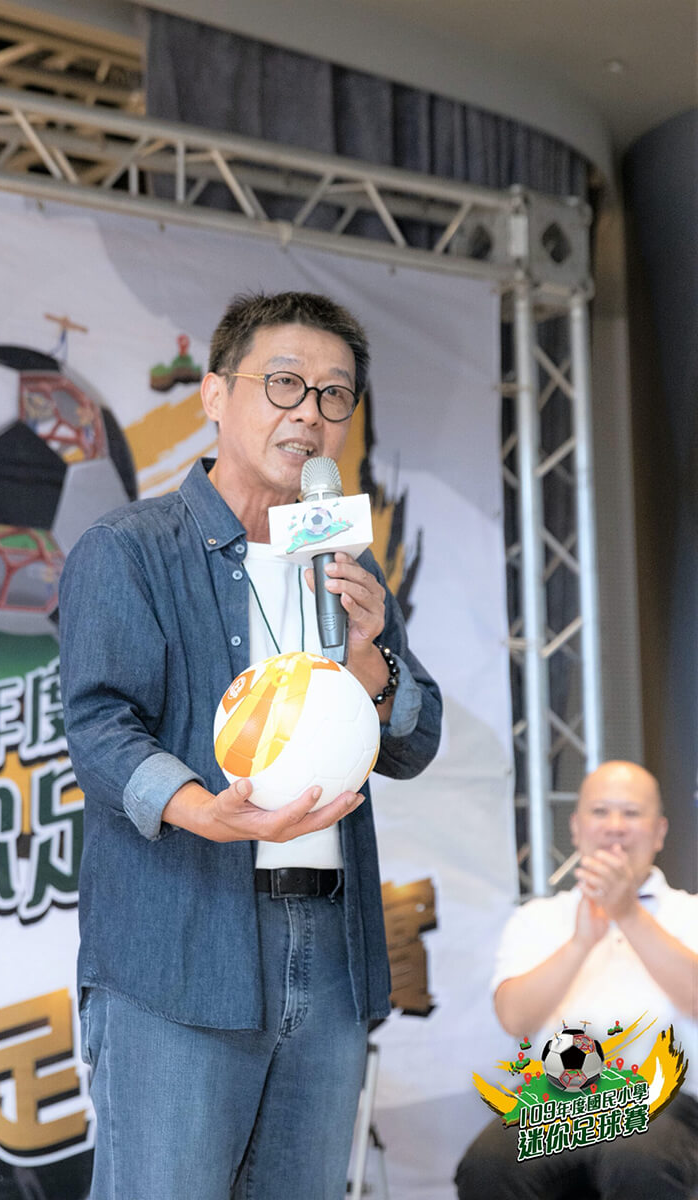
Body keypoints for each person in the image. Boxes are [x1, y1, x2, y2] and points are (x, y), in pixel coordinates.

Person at [58, 291, 443, 1200]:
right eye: (284, 384)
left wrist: (372, 660)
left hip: (329, 947)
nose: (310, 413)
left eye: (335, 394)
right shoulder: (130, 548)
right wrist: (205, 811)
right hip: (182, 949)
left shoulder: (344, 563)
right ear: (213, 395)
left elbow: (414, 740)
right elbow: (100, 724)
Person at [455, 760, 698, 1200]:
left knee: (635, 1156)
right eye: (600, 811)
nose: (615, 826)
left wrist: (628, 914)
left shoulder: (690, 912)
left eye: (631, 813)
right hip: (557, 1098)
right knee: (488, 1165)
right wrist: (581, 942)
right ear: (576, 827)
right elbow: (514, 1017)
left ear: (660, 831)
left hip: (669, 1099)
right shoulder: (537, 918)